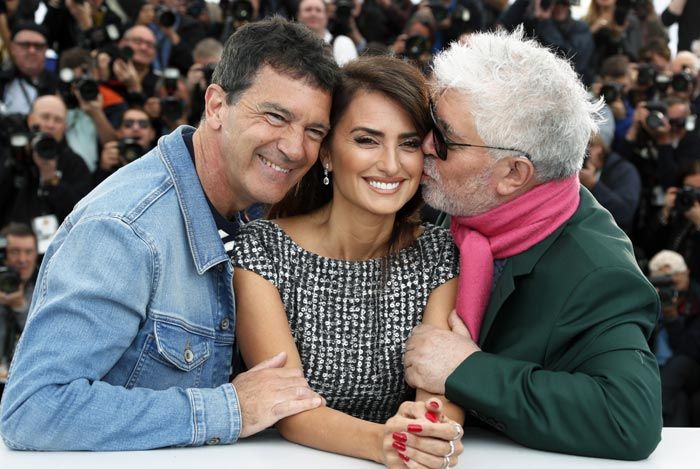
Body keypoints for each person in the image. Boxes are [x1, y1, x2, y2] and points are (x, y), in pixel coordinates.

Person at [0, 17, 339, 451]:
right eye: (275, 116)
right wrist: (229, 409)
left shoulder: (262, 209)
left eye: (314, 131)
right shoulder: (124, 230)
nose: (296, 148)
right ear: (216, 106)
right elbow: (33, 408)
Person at [403, 29, 662, 460]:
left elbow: (628, 417)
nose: (424, 145)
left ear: (513, 175)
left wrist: (466, 369)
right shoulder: (453, 196)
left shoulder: (597, 273)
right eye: (429, 121)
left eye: (445, 137)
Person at [231, 55, 464, 468]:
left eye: (409, 143)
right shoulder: (263, 251)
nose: (391, 164)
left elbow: (439, 390)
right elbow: (287, 405)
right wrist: (384, 442)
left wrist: (430, 428)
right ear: (327, 154)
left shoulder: (439, 255)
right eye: (366, 140)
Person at [0, 223, 38, 369]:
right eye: (15, 252)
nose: (22, 259)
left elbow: (43, 339)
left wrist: (20, 307)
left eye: (29, 252)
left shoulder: (46, 288)